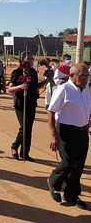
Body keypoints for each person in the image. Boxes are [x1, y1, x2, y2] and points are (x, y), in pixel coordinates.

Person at [47, 63, 91, 209]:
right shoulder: (64, 89)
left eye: (87, 75)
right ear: (72, 75)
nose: (86, 78)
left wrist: (87, 122)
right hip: (66, 131)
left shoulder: (85, 89)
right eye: (83, 76)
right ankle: (53, 182)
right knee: (67, 163)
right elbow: (51, 112)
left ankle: (71, 195)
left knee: (78, 166)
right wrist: (53, 134)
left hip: (82, 132)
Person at [8, 51, 40, 161]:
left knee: (28, 129)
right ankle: (14, 146)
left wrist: (46, 81)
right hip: (20, 104)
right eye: (28, 59)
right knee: (24, 127)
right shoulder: (16, 72)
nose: (31, 61)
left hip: (31, 103)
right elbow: (9, 89)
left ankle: (25, 153)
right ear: (22, 60)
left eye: (32, 59)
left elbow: (36, 87)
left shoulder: (33, 72)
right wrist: (21, 86)